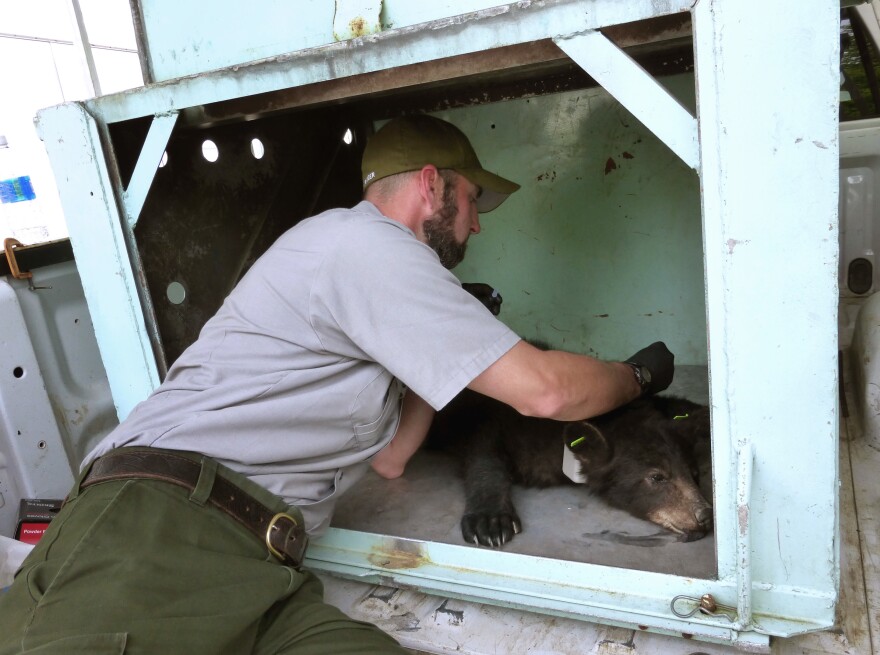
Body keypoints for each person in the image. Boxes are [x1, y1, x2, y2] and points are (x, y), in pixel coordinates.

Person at [0, 114, 674, 654]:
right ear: (432, 184)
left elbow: (392, 459)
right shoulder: (363, 246)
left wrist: (434, 357)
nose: (476, 221)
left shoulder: (363, 266)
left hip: (259, 567)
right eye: (472, 199)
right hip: (158, 534)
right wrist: (636, 376)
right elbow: (548, 393)